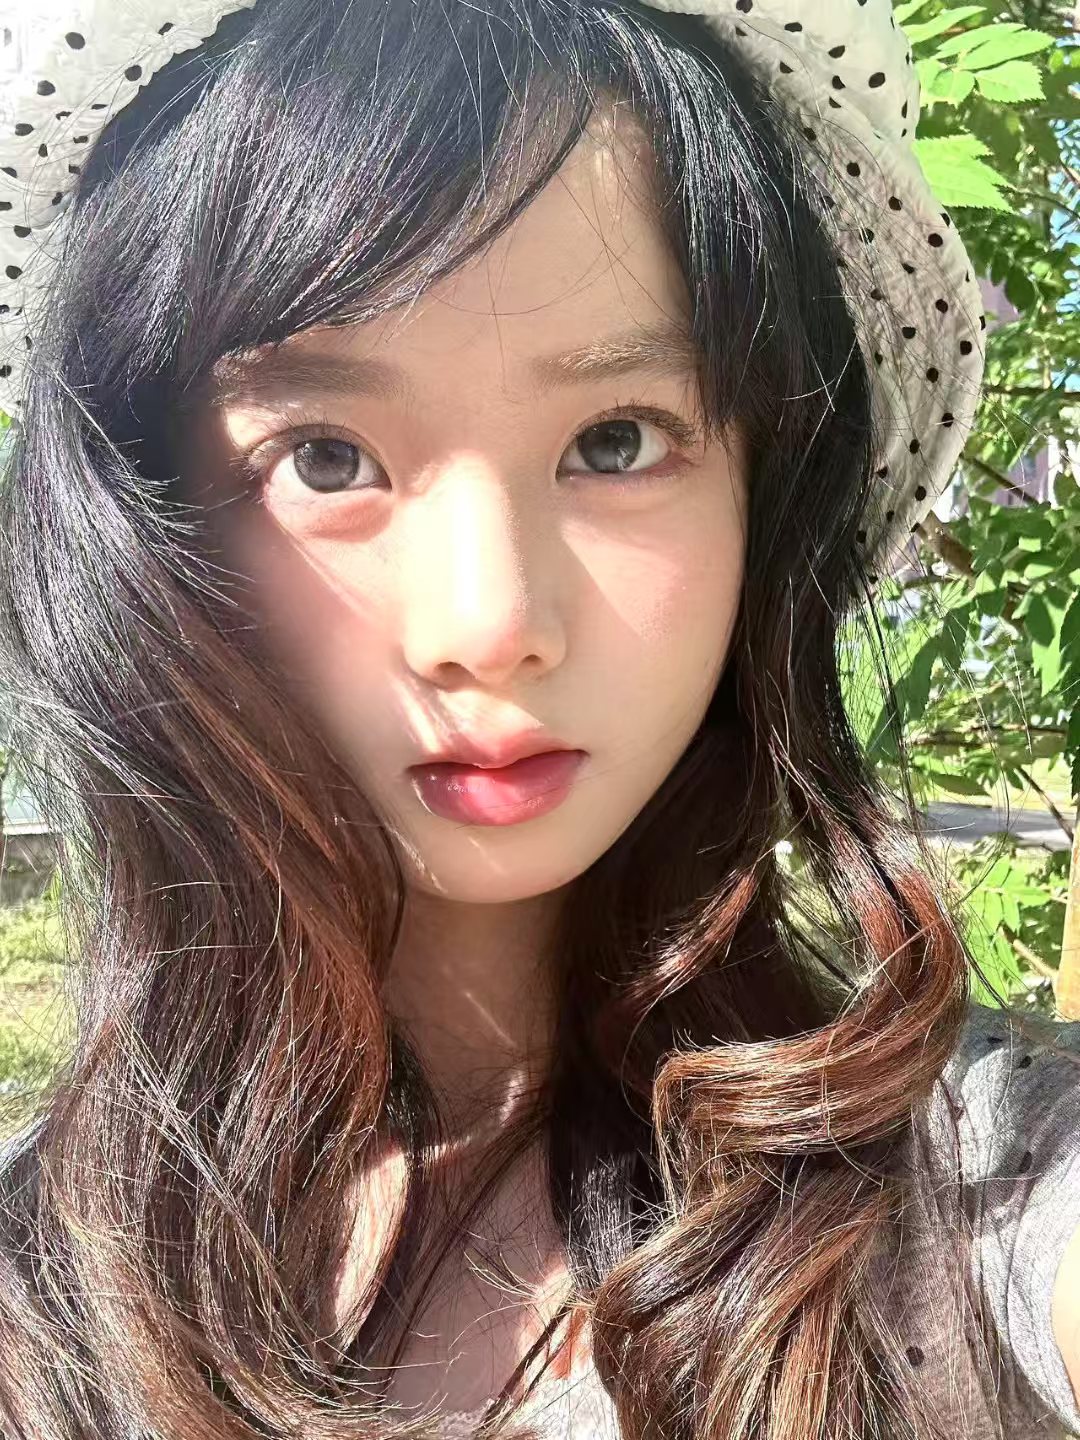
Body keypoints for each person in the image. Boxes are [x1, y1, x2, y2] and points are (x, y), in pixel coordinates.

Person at [0, 0, 1076, 1437]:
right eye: (325, 458)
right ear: (144, 533)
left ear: (765, 492)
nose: (491, 620)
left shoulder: (985, 1199)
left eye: (616, 441)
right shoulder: (38, 1282)